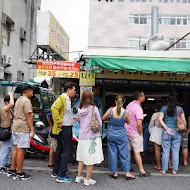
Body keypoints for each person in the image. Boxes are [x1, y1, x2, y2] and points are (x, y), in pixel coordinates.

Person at [103, 95, 135, 180]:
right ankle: (127, 172)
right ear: (123, 102)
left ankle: (114, 172)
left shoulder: (110, 110)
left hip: (112, 133)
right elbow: (128, 122)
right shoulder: (125, 112)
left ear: (115, 101)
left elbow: (103, 118)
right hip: (121, 134)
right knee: (124, 153)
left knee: (112, 153)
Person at [75, 90, 104, 186]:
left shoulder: (80, 109)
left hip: (82, 136)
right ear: (91, 98)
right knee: (90, 159)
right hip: (91, 137)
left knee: (81, 158)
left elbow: (79, 122)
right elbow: (99, 122)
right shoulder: (94, 109)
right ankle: (87, 179)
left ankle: (78, 177)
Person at [7, 84, 35, 180]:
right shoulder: (27, 101)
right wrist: (32, 129)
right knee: (21, 150)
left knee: (16, 149)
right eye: (31, 91)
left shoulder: (19, 99)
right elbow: (28, 115)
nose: (32, 93)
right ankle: (19, 172)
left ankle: (13, 169)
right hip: (23, 126)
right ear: (28, 91)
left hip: (15, 125)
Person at [51, 81, 77, 183]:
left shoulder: (66, 99)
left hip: (64, 127)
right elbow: (54, 108)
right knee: (67, 151)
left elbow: (63, 112)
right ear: (69, 89)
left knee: (60, 150)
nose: (75, 92)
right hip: (65, 128)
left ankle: (56, 171)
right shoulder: (63, 98)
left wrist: (71, 117)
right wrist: (58, 121)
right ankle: (61, 175)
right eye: (74, 90)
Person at [159, 94, 186, 175]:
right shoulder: (179, 109)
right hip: (177, 132)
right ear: (176, 101)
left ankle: (164, 170)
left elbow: (160, 119)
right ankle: (174, 170)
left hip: (167, 131)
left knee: (165, 151)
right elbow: (184, 121)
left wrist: (167, 128)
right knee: (175, 151)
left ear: (168, 101)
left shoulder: (164, 108)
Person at [125, 91, 150, 177]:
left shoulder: (129, 105)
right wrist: (140, 132)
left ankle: (128, 168)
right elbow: (139, 123)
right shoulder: (138, 108)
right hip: (135, 132)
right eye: (143, 95)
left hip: (127, 131)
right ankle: (142, 171)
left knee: (128, 151)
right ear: (140, 97)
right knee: (137, 152)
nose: (144, 97)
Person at [0, 92, 14, 174]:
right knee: (5, 149)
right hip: (5, 131)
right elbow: (11, 104)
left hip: (9, 131)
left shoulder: (10, 110)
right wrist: (11, 94)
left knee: (9, 148)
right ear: (6, 102)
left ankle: (6, 163)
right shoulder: (4, 109)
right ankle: (1, 166)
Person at [148, 104, 163, 170]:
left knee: (157, 150)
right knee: (167, 150)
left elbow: (151, 124)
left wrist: (151, 131)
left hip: (156, 132)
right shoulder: (165, 114)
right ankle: (169, 164)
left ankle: (158, 165)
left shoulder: (155, 114)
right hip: (165, 131)